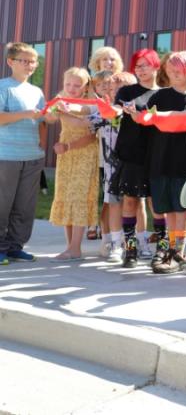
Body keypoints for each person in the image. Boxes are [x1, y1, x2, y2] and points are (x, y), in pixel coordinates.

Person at [127, 51, 186, 274]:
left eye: (179, 69)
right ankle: (168, 250)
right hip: (158, 160)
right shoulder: (159, 96)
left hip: (185, 162)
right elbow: (142, 118)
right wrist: (131, 113)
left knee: (181, 208)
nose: (174, 73)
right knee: (166, 210)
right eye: (170, 69)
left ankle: (178, 253)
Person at [110, 49, 163, 268]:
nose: (141, 70)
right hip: (131, 154)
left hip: (157, 154)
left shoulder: (164, 94)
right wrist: (111, 111)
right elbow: (115, 111)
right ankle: (129, 249)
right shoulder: (127, 92)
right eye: (137, 66)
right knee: (130, 201)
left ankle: (163, 250)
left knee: (157, 204)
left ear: (156, 66)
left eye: (146, 65)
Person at [0, 43, 46, 265]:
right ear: (10, 62)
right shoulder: (3, 87)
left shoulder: (37, 91)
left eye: (33, 61)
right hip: (6, 156)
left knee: (25, 207)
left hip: (32, 156)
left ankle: (15, 247)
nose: (30, 65)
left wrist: (51, 117)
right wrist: (25, 114)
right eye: (24, 60)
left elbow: (42, 122)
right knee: (2, 204)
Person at [47, 67, 99, 261]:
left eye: (77, 85)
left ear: (86, 87)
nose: (71, 88)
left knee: (79, 197)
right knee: (67, 196)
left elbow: (87, 131)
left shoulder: (91, 104)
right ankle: (70, 246)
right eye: (68, 84)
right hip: (65, 151)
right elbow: (49, 117)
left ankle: (76, 247)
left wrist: (63, 111)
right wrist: (55, 109)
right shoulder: (61, 99)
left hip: (82, 151)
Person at [86, 46, 124, 241]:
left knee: (115, 197)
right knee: (104, 194)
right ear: (97, 63)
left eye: (112, 59)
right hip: (100, 151)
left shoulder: (124, 86)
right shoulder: (94, 90)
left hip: (122, 152)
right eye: (105, 59)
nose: (109, 62)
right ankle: (100, 228)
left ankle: (113, 233)